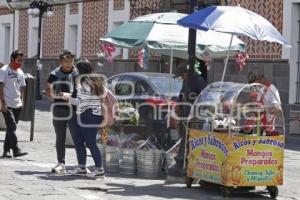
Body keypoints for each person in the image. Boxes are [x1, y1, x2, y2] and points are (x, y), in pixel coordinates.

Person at [66, 58, 105, 178]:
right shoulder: (92, 79)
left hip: (89, 114)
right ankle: (82, 167)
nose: (75, 71)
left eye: (76, 69)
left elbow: (81, 101)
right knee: (79, 141)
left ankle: (99, 169)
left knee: (90, 143)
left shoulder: (85, 81)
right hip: (86, 114)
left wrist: (66, 98)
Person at [169, 65, 207, 176]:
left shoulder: (198, 81)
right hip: (185, 116)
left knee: (192, 140)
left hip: (195, 117)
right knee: (184, 138)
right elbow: (181, 96)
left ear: (187, 73)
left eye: (182, 75)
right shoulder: (185, 81)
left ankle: (189, 163)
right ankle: (182, 161)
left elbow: (204, 97)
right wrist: (177, 106)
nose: (181, 77)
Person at [46, 50, 77, 173]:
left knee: (78, 137)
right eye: (66, 61)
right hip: (59, 108)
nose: (68, 63)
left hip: (74, 108)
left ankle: (82, 164)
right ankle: (61, 163)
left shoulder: (77, 74)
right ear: (60, 62)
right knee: (60, 137)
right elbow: (48, 91)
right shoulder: (54, 74)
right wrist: (58, 96)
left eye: (70, 61)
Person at [0, 50, 28, 158]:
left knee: (11, 128)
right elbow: (0, 86)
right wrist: (2, 103)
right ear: (12, 59)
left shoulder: (20, 72)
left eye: (21, 60)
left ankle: (6, 151)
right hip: (7, 104)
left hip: (17, 104)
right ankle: (16, 149)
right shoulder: (4, 70)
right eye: (18, 60)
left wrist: (22, 101)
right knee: (11, 126)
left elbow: (22, 87)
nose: (20, 62)